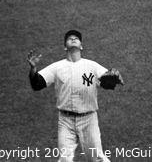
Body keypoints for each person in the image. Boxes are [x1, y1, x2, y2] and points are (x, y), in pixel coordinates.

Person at [27, 30, 124, 161]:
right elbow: (37, 84)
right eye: (69, 38)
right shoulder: (57, 67)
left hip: (88, 119)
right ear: (65, 47)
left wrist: (114, 76)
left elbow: (107, 81)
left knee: (97, 158)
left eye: (76, 38)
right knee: (65, 159)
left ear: (81, 46)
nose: (73, 39)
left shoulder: (92, 66)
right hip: (65, 121)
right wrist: (33, 69)